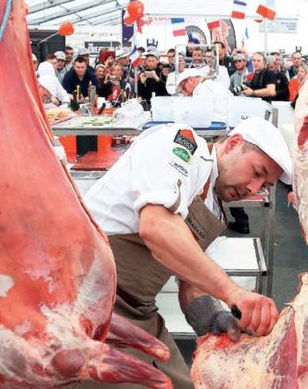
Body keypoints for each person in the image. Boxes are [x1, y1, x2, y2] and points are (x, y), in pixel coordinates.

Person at [81, 118, 292, 388]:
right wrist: (233, 292)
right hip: (86, 301)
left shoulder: (214, 209)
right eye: (257, 171)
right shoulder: (183, 145)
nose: (254, 188)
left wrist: (216, 318)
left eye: (264, 185)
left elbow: (191, 285)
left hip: (139, 312)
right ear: (233, 144)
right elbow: (156, 227)